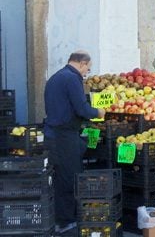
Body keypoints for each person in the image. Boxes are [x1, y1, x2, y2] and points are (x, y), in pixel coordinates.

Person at [44, 50, 105, 235]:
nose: (87, 72)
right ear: (81, 63)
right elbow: (81, 108)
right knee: (69, 178)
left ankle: (61, 219)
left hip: (54, 134)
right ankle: (65, 222)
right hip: (64, 136)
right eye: (88, 67)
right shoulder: (72, 78)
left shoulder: (55, 77)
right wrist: (98, 112)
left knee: (60, 176)